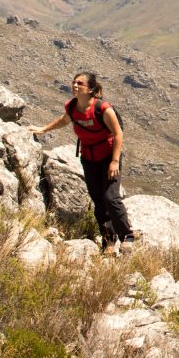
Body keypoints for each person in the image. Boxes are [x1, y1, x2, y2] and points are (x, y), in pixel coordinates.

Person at [28, 71, 136, 255]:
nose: (75, 85)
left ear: (91, 89)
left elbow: (118, 134)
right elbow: (63, 120)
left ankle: (127, 237)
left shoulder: (103, 109)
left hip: (109, 158)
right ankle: (108, 241)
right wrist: (43, 129)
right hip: (89, 158)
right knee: (98, 200)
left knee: (111, 197)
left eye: (80, 83)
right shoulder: (72, 107)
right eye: (74, 82)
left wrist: (115, 161)